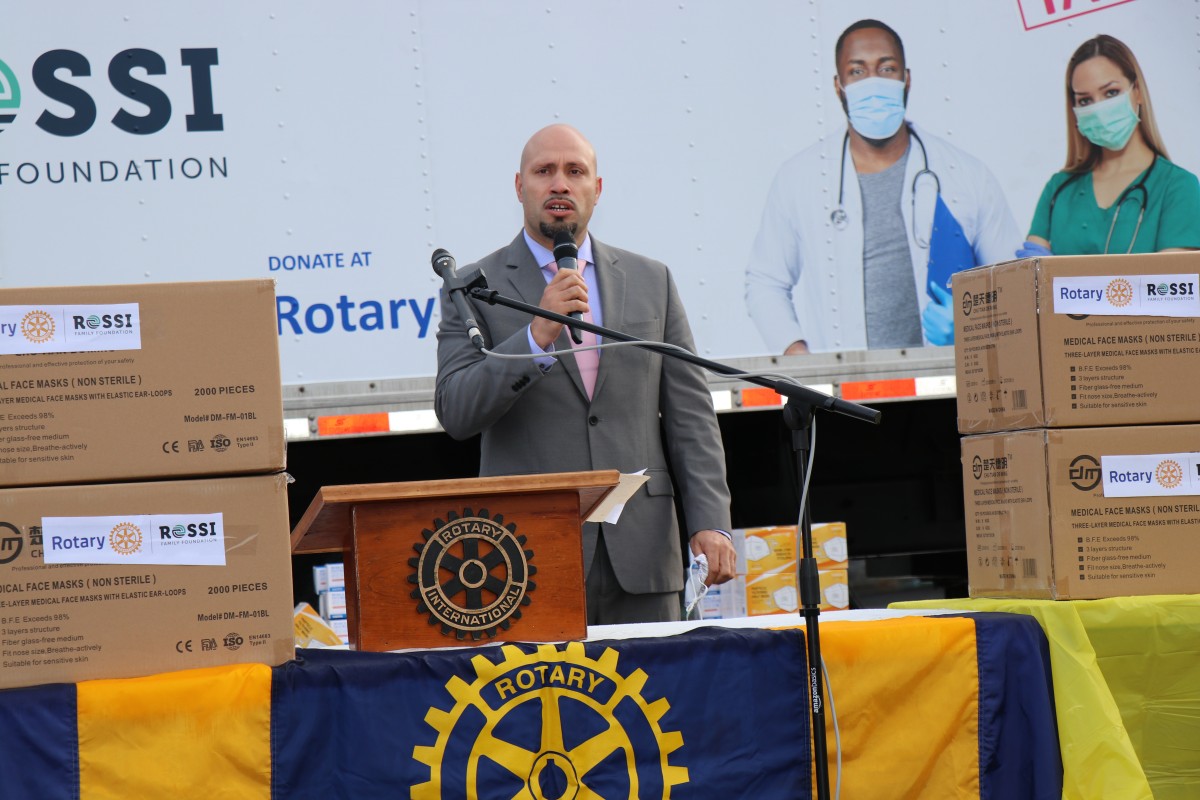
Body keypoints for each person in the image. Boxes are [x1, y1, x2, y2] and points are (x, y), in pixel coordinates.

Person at [434, 124, 737, 625]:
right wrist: (535, 336)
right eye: (544, 171)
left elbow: (691, 417)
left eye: (575, 172)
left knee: (656, 701)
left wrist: (712, 524)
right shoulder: (470, 288)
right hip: (525, 560)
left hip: (642, 557)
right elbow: (457, 410)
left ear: (597, 189)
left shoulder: (650, 280)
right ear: (519, 186)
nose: (560, 184)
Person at [745, 19, 1020, 354]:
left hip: (949, 384)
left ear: (907, 79)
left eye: (886, 68)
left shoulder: (964, 174)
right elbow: (764, 283)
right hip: (844, 394)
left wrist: (974, 326)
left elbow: (1013, 285)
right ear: (838, 85)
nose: (873, 82)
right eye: (857, 71)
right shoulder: (800, 177)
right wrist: (798, 361)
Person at [1020, 34, 1200, 257]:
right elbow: (1034, 283)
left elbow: (1171, 286)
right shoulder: (1058, 190)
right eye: (1085, 100)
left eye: (1111, 93)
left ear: (1137, 92)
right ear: (1074, 109)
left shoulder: (1178, 187)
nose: (1099, 109)